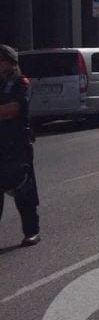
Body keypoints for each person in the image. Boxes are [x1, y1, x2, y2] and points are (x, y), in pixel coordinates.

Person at [0, 44, 39, 247]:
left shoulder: (20, 83)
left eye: (1, 60)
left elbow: (13, 109)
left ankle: (32, 232)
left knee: (24, 190)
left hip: (17, 145)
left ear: (10, 63)